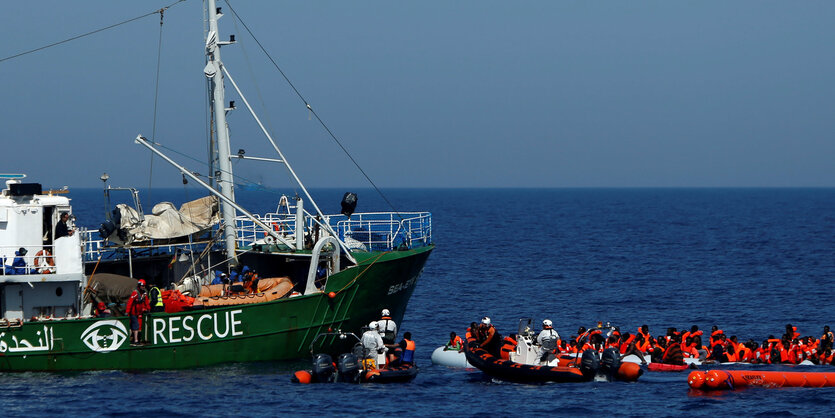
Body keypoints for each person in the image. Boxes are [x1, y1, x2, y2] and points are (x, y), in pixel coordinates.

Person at [126, 279, 150, 345]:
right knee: (135, 325)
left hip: (139, 313)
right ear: (139, 286)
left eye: (144, 286)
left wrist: (148, 309)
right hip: (133, 312)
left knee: (137, 326)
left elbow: (146, 302)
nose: (143, 287)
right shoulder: (135, 293)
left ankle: (135, 339)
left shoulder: (144, 293)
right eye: (142, 286)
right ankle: (136, 340)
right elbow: (130, 302)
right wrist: (127, 311)